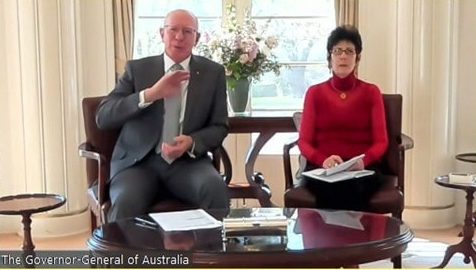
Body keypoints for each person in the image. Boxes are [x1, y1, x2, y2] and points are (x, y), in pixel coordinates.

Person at [96, 9, 230, 222]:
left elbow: (220, 126)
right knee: (125, 202)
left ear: (197, 38)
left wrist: (192, 142)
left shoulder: (213, 73)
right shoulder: (137, 69)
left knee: (215, 190)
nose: (179, 37)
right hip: (138, 164)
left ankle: (209, 255)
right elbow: (103, 117)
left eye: (187, 31)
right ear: (161, 33)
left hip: (188, 163)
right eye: (173, 30)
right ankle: (124, 256)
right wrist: (150, 94)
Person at [298, 25, 388, 211]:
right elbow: (304, 142)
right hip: (323, 169)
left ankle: (353, 239)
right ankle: (332, 239)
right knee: (331, 188)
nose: (343, 56)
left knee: (353, 188)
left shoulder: (371, 92)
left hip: (362, 170)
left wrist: (364, 161)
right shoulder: (315, 93)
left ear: (358, 58)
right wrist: (324, 160)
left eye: (349, 51)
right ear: (330, 57)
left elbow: (381, 142)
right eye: (337, 51)